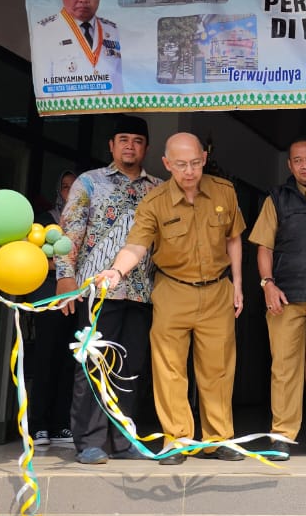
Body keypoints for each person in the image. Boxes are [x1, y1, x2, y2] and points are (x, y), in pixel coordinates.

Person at [95, 133, 247, 465]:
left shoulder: (224, 191)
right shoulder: (155, 201)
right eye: (180, 165)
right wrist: (116, 272)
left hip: (217, 290)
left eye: (194, 162)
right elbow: (137, 245)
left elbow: (234, 238)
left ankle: (218, 438)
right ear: (166, 164)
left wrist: (238, 283)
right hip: (173, 289)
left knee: (218, 368)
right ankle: (178, 439)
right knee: (170, 368)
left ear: (204, 159)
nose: (189, 171)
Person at [55, 118, 162, 465]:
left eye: (137, 141)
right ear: (112, 146)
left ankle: (123, 438)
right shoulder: (89, 182)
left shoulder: (159, 189)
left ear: (146, 147)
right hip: (96, 292)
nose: (130, 146)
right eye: (123, 140)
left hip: (142, 293)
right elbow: (70, 232)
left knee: (130, 369)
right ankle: (89, 440)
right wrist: (65, 277)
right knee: (93, 365)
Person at [247, 138, 306, 460]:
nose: (304, 165)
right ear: (289, 166)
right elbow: (264, 247)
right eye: (298, 160)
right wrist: (267, 283)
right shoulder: (277, 198)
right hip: (284, 297)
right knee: (284, 369)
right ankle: (282, 436)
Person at [28, 170, 76, 450]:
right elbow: (34, 259)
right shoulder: (46, 221)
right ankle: (38, 425)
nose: (70, 191)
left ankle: (61, 424)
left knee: (70, 362)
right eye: (66, 187)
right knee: (45, 360)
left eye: (75, 187)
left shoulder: (88, 220)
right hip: (49, 297)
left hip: (77, 298)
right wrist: (66, 267)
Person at [33, 0, 123, 97]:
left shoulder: (112, 31)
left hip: (108, 115)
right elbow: (43, 89)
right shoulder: (45, 31)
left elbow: (118, 84)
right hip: (71, 115)